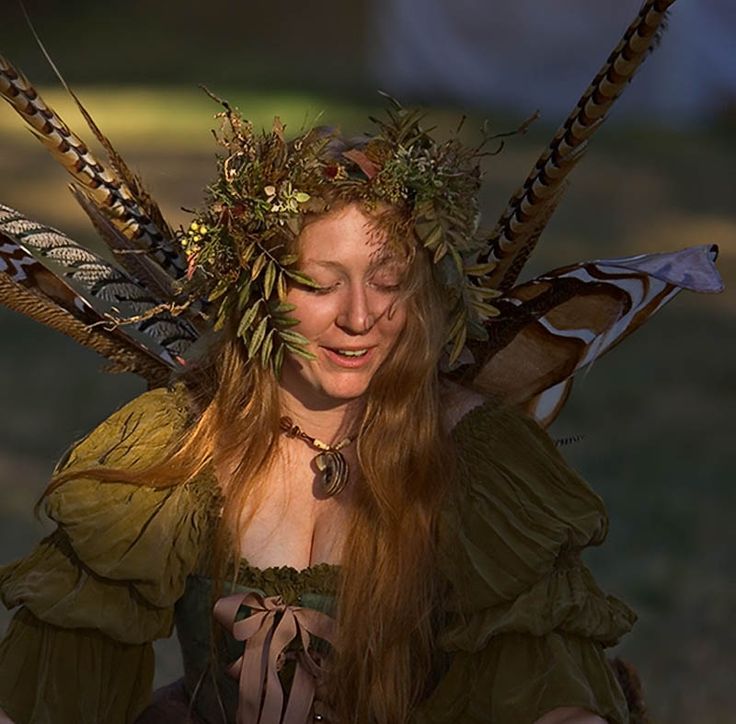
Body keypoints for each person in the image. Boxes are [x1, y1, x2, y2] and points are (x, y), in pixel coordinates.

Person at [0, 3, 722, 721]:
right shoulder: (182, 442)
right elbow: (55, 676)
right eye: (320, 283)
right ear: (260, 291)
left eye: (387, 282)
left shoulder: (476, 458)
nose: (359, 317)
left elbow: (548, 691)